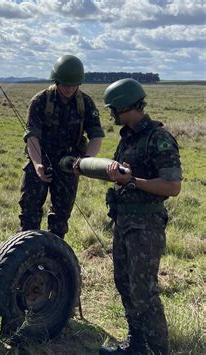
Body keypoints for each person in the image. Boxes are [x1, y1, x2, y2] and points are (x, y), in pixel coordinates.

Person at [100, 79, 182, 355]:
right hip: (124, 223)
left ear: (127, 106)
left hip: (146, 226)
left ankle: (159, 351)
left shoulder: (158, 138)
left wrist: (132, 180)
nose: (113, 115)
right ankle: (136, 344)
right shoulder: (129, 137)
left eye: (115, 110)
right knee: (124, 284)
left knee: (144, 294)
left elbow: (172, 186)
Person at [19, 54, 105, 238]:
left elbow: (96, 135)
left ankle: (54, 258)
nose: (70, 89)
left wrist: (85, 162)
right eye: (66, 84)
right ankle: (26, 253)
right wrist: (38, 166)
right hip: (41, 160)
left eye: (74, 85)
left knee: (60, 218)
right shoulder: (40, 101)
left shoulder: (86, 103)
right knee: (29, 213)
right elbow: (32, 137)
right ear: (56, 80)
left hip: (69, 164)